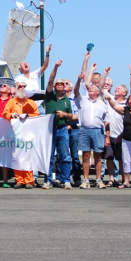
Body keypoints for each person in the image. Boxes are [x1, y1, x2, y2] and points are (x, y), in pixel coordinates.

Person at [42, 60, 76, 190]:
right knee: (49, 156)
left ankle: (66, 180)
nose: (60, 85)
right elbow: (50, 79)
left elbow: (71, 115)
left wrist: (65, 115)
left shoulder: (67, 100)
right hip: (50, 129)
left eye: (62, 84)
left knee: (65, 156)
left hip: (62, 129)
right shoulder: (50, 95)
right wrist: (55, 67)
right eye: (58, 84)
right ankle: (48, 180)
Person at [74, 67, 109, 189]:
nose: (90, 89)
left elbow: (106, 121)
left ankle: (99, 180)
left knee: (98, 156)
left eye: (93, 88)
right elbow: (76, 90)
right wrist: (79, 80)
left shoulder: (102, 104)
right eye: (90, 88)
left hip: (98, 131)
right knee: (86, 155)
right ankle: (86, 180)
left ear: (98, 92)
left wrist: (107, 136)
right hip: (84, 130)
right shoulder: (83, 100)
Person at [3, 81, 40, 188]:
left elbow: (37, 115)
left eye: (25, 86)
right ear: (16, 88)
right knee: (17, 156)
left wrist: (27, 115)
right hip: (16, 134)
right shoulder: (11, 102)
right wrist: (12, 115)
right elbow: (4, 113)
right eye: (20, 86)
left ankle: (29, 180)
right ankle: (19, 180)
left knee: (28, 157)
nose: (22, 88)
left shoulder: (31, 102)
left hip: (28, 134)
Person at [63, 79, 82, 186]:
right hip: (62, 128)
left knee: (75, 155)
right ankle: (63, 177)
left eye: (66, 83)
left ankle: (77, 177)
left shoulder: (75, 99)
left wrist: (66, 117)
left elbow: (78, 115)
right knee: (62, 154)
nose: (63, 85)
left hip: (74, 128)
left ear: (71, 88)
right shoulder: (59, 99)